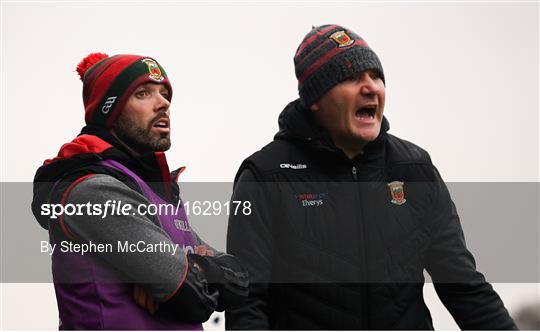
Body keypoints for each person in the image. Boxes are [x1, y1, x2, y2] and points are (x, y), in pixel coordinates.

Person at [225, 25, 517, 330]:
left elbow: (465, 288)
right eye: (351, 78)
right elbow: (246, 306)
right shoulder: (265, 175)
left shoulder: (414, 169)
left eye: (375, 77)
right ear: (315, 98)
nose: (371, 88)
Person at [31, 52, 248, 330]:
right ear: (110, 110)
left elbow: (240, 282)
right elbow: (189, 295)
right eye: (143, 93)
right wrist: (183, 271)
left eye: (165, 93)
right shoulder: (94, 188)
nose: (163, 103)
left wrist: (177, 269)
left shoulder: (158, 191)